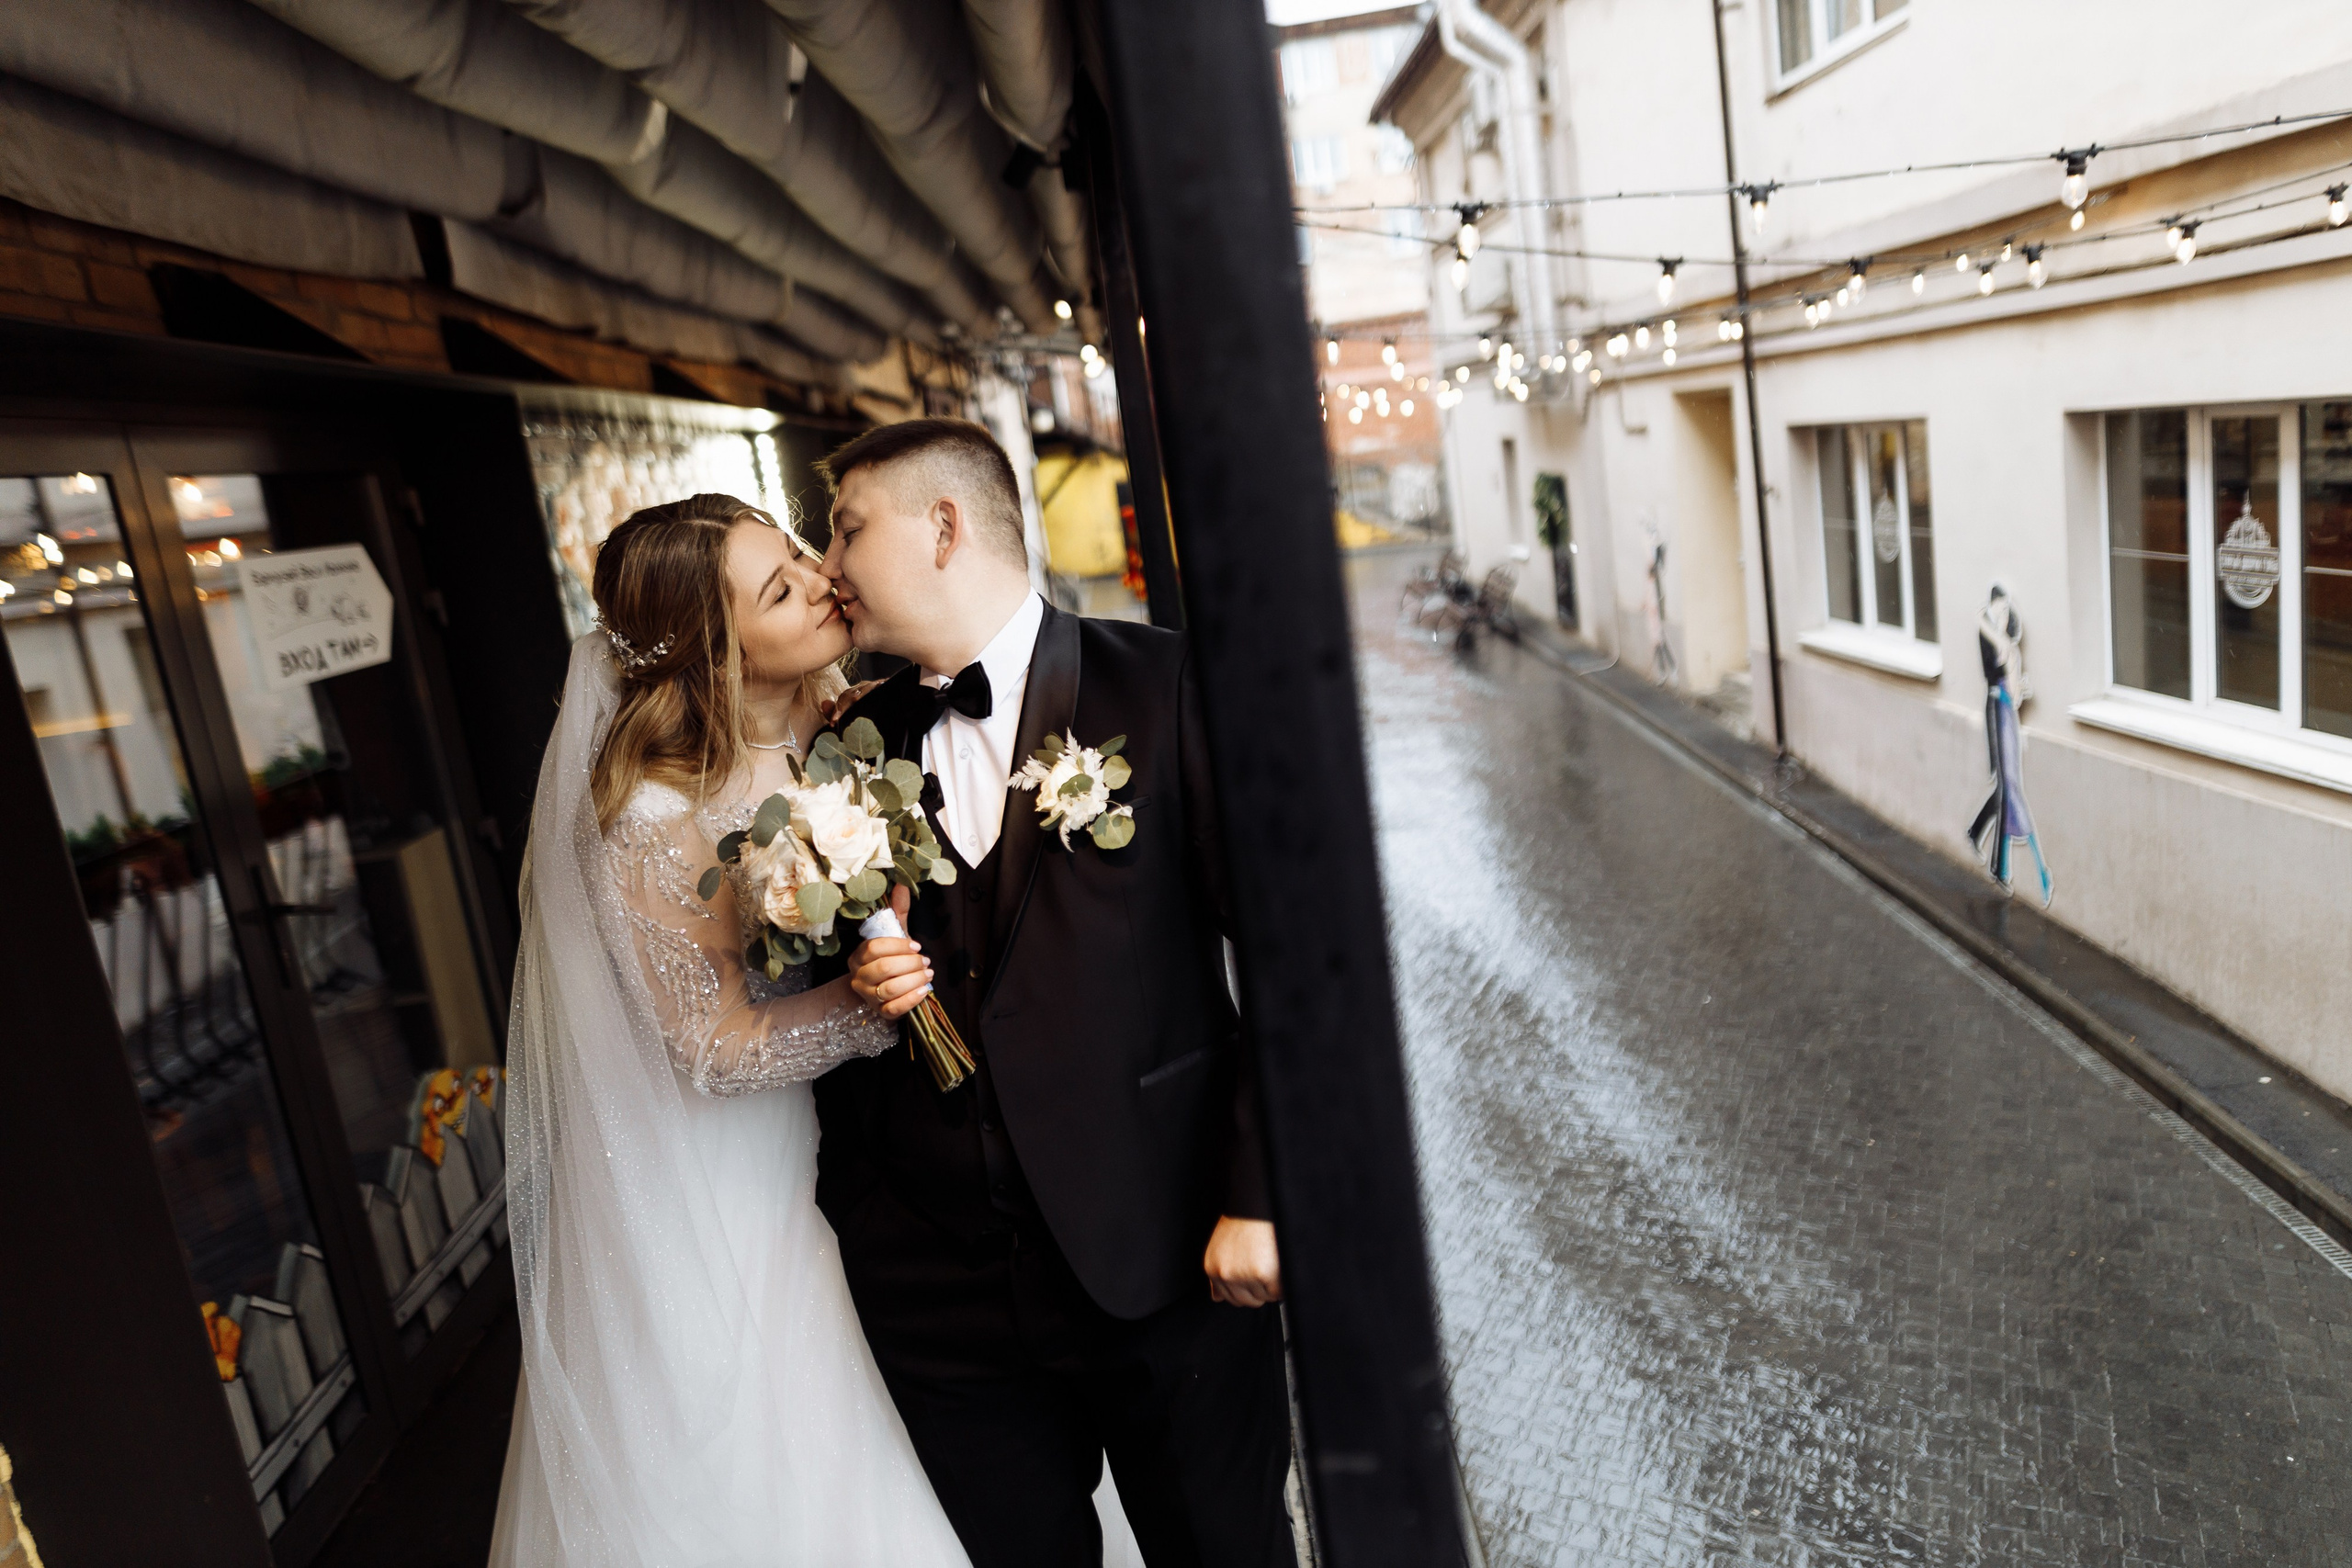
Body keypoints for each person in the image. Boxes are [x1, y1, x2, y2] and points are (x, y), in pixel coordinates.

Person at [812, 419, 1296, 1567]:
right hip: (939, 1290)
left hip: (1169, 1254)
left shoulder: (1171, 686)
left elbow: (1289, 958)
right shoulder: (849, 741)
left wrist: (1262, 1195)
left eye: (846, 527)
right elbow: (817, 963)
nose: (828, 563)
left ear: (943, 526)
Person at [487, 494, 967, 1564]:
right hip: (738, 1180)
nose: (820, 581)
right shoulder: (655, 813)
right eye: (782, 589)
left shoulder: (851, 717)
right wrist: (870, 1002)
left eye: (802, 555)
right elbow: (712, 1046)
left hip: (870, 1153)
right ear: (717, 647)